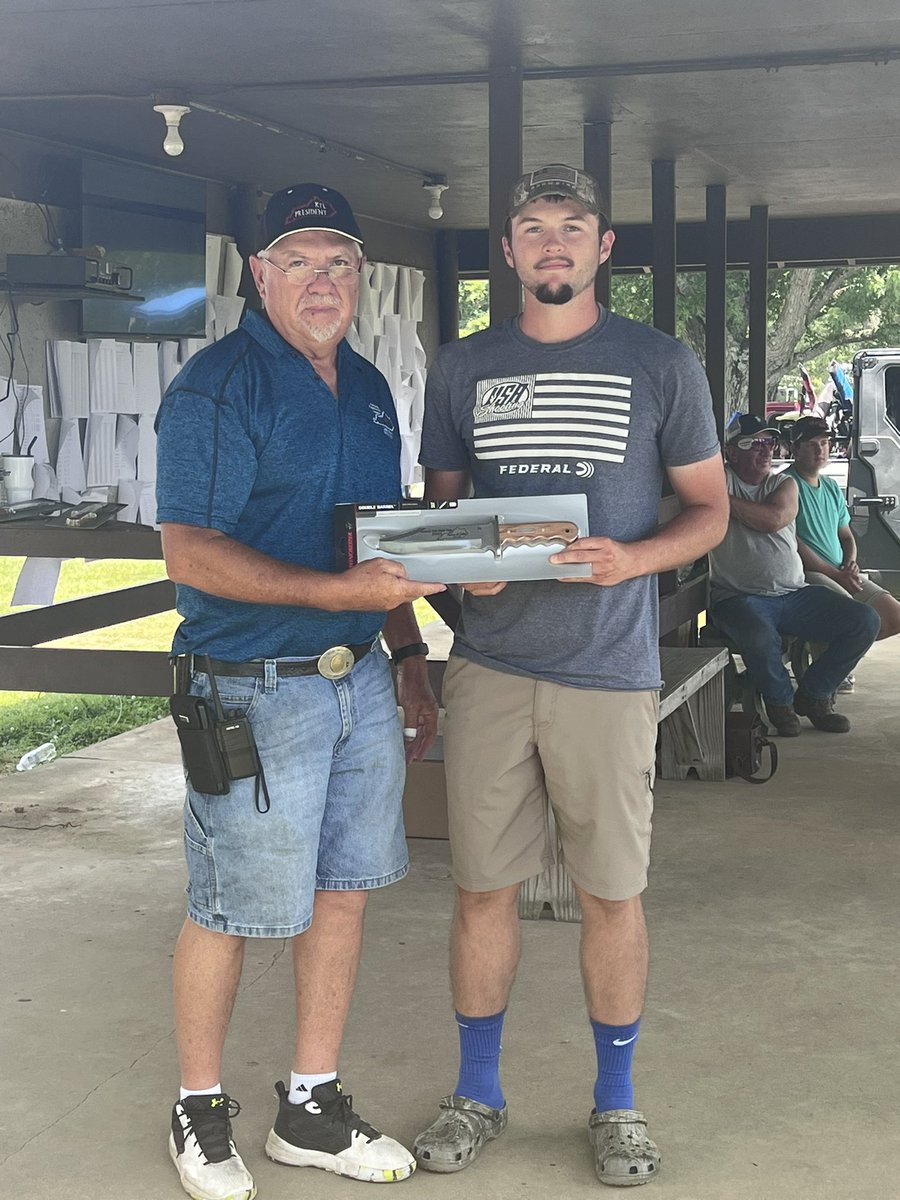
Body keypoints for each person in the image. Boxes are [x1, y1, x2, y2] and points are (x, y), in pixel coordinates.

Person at [413, 163, 729, 1188]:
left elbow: (710, 509)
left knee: (611, 894)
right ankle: (478, 1092)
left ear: (604, 249)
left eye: (572, 227)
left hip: (608, 669)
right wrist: (466, 586)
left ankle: (618, 1104)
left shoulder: (659, 362)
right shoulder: (463, 368)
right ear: (505, 252)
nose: (553, 243)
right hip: (494, 668)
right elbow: (443, 518)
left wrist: (634, 560)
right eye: (533, 227)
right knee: (481, 891)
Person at [155, 182, 446, 1200]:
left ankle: (310, 1107)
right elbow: (187, 552)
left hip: (356, 682)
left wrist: (405, 651)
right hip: (247, 687)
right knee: (231, 907)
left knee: (343, 892)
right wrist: (340, 592)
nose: (321, 280)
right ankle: (198, 1109)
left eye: (339, 261)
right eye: (299, 261)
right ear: (260, 274)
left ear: (359, 277)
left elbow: (377, 536)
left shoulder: (367, 385)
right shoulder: (217, 388)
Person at [708, 413, 880, 736]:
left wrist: (721, 503)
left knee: (865, 621)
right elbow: (697, 467)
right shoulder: (720, 480)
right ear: (730, 452)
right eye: (754, 443)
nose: (766, 450)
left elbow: (774, 518)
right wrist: (717, 491)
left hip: (795, 593)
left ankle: (814, 695)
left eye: (770, 442)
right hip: (738, 596)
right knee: (759, 636)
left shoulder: (783, 483)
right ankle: (780, 702)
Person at [786, 415, 900, 687]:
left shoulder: (829, 487)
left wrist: (850, 564)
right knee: (851, 615)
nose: (820, 450)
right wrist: (835, 574)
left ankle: (832, 663)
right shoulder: (785, 485)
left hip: (839, 570)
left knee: (893, 616)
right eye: (812, 444)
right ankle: (823, 684)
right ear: (795, 448)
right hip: (809, 574)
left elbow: (846, 536)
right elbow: (794, 543)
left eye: (825, 443)